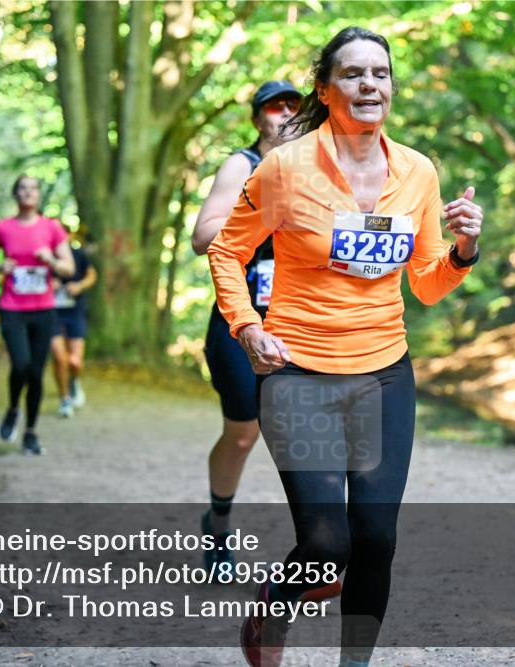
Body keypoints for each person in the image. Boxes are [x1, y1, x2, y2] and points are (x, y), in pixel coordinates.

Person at [207, 27, 484, 667]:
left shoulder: (416, 172)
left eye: (380, 74)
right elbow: (227, 248)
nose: (369, 84)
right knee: (327, 544)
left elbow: (427, 282)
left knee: (376, 537)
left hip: (384, 374)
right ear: (326, 89)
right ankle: (274, 608)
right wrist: (248, 324)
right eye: (354, 74)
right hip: (298, 371)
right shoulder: (284, 168)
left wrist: (464, 251)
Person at [190, 80, 303, 576]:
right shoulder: (243, 165)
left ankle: (322, 549)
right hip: (239, 325)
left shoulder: (318, 167)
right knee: (242, 435)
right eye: (274, 107)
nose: (285, 114)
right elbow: (203, 237)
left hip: (301, 325)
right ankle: (217, 522)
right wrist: (265, 216)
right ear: (258, 119)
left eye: (294, 107)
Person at [0, 175, 74, 455]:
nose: (28, 192)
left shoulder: (52, 228)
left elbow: (69, 268)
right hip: (12, 308)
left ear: (38, 195)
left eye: (33, 188)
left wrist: (51, 260)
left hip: (43, 309)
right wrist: (1, 267)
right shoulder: (1, 227)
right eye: (22, 188)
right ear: (15, 194)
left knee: (36, 373)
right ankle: (12, 409)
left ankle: (31, 432)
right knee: (20, 365)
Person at [50, 223, 97, 418]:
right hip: (51, 313)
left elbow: (92, 275)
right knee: (59, 357)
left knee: (75, 360)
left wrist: (79, 286)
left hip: (74, 311)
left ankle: (74, 381)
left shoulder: (78, 255)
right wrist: (48, 285)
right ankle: (65, 398)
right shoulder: (44, 257)